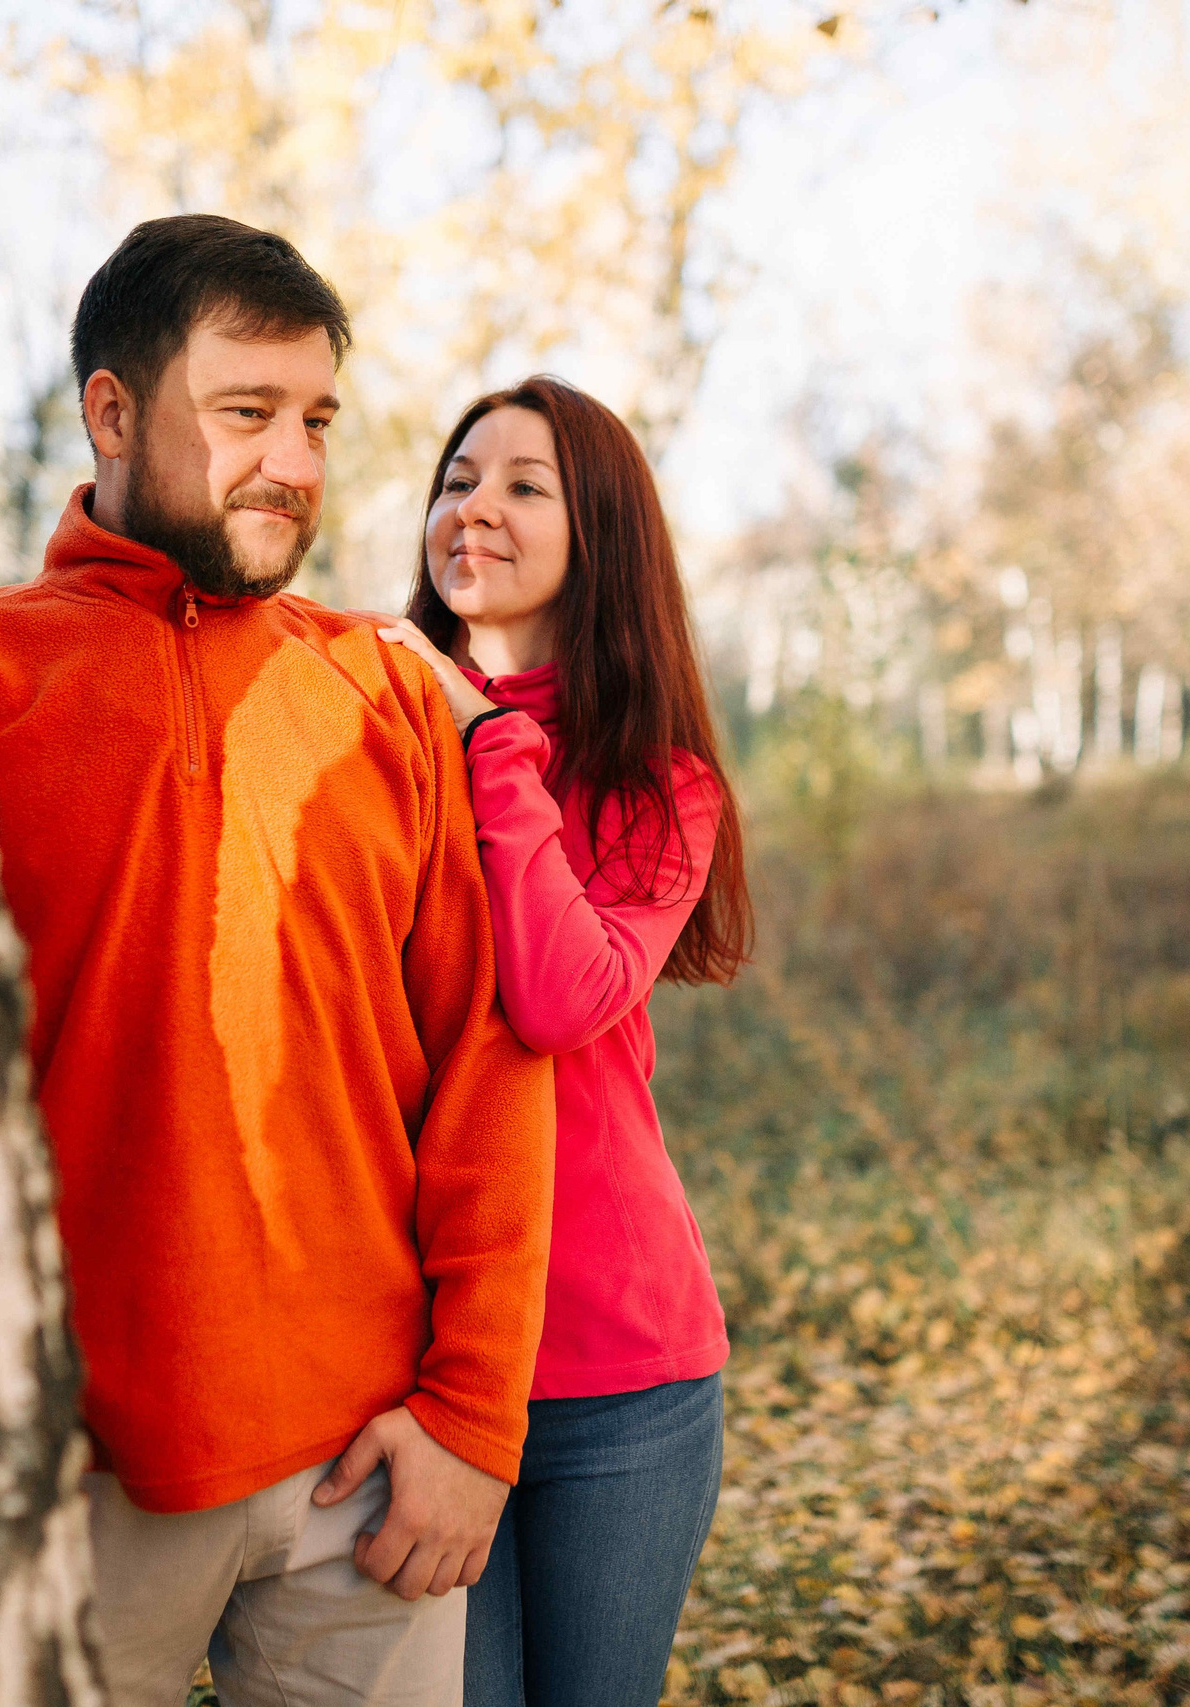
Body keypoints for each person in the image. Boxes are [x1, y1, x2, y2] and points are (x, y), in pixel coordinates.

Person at [0, 217, 557, 1707]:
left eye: (316, 419)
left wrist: (477, 1420)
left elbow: (490, 1059)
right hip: (66, 1486)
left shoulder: (380, 694)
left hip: (366, 1481)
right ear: (111, 412)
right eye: (245, 414)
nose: (294, 460)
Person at [377, 377, 753, 1707]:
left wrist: (490, 740)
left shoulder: (658, 783)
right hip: (421, 1361)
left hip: (620, 1369)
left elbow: (561, 994)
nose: (472, 508)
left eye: (524, 486)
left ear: (599, 537)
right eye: (457, 478)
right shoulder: (372, 737)